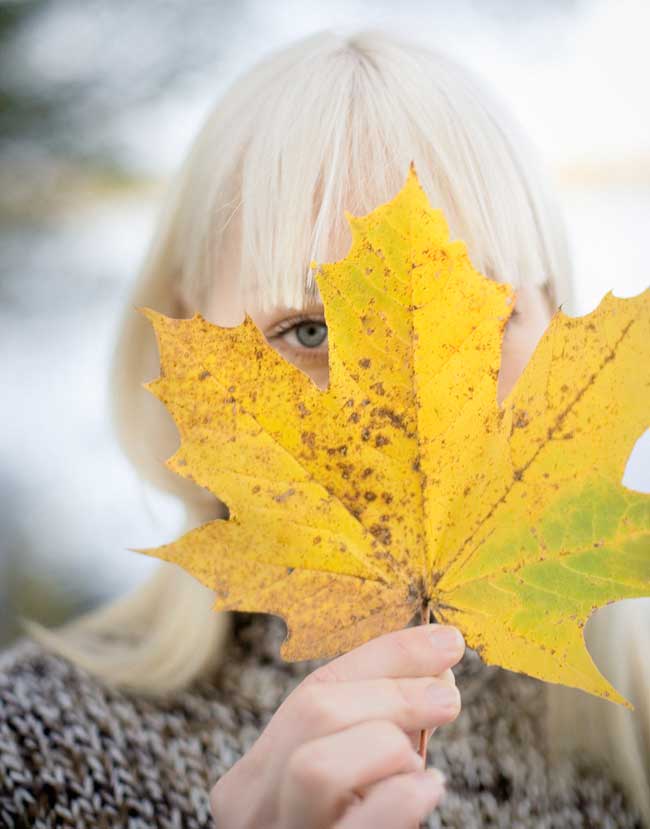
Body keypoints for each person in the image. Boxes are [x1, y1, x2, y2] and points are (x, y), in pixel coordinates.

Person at [1, 28, 648, 829]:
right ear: (189, 358)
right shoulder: (27, 757)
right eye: (308, 330)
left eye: (479, 322)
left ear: (562, 337)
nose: (396, 412)